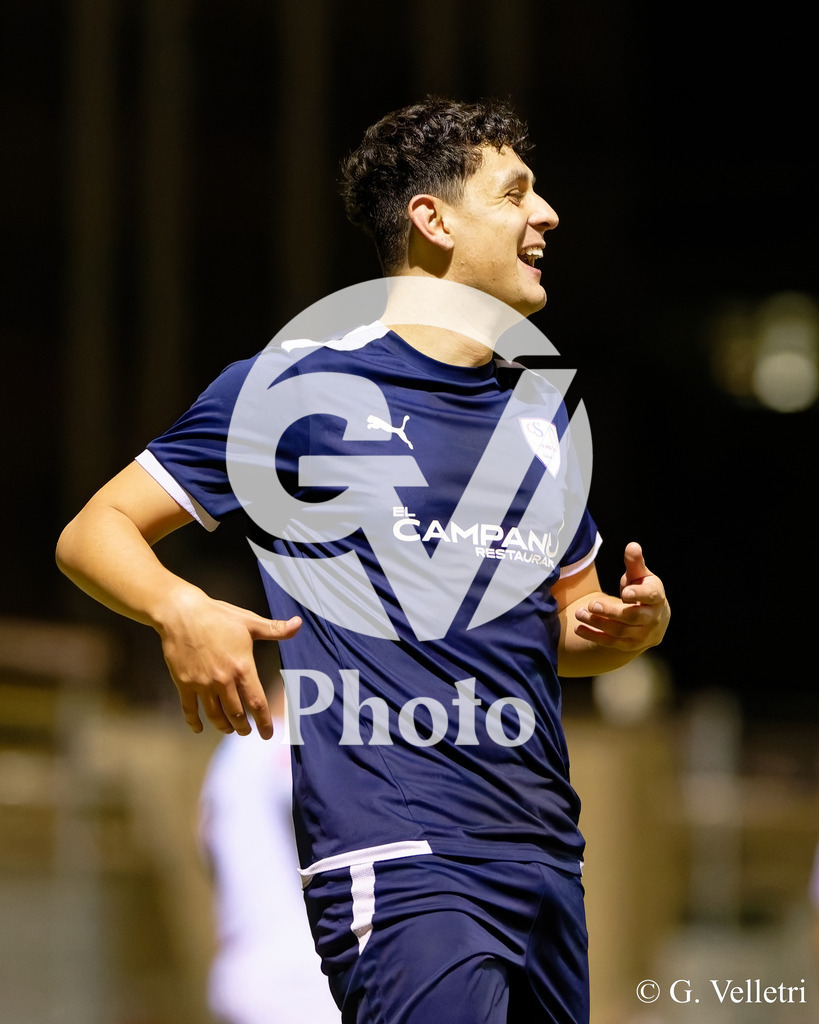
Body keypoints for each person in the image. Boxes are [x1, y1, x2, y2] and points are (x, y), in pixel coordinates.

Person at [56, 97, 670, 1024]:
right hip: (401, 852)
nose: (545, 216)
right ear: (432, 220)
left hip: (546, 853)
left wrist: (627, 631)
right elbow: (94, 529)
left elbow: (565, 634)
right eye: (515, 194)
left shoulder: (538, 419)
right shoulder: (298, 387)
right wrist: (183, 609)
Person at [199, 673, 340, 1023]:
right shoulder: (283, 750)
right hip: (295, 983)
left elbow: (201, 837)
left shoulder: (230, 753)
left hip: (241, 968)